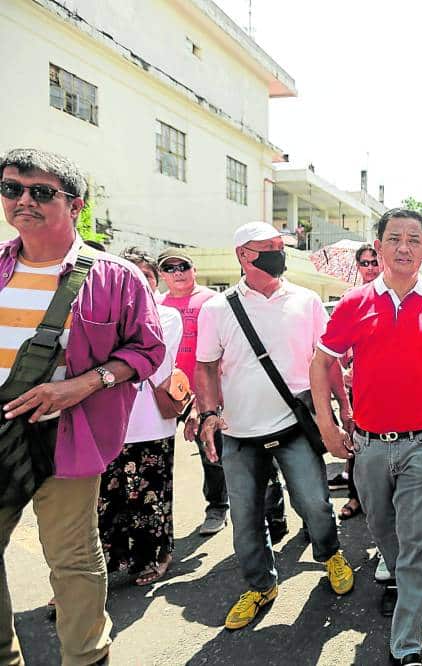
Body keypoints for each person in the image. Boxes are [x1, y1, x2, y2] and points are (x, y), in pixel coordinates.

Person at [0, 148, 164, 666]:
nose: (23, 201)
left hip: (66, 438)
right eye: (11, 189)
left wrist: (84, 384)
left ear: (75, 204)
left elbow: (148, 351)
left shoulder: (115, 278)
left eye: (41, 192)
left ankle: (86, 658)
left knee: (72, 561)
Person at [311, 208, 422, 666]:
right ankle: (399, 579)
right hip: (371, 446)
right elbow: (322, 363)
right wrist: (326, 422)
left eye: (413, 239)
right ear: (377, 247)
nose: (404, 247)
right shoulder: (354, 303)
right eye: (394, 238)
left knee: (416, 540)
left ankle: (407, 644)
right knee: (384, 531)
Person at [195, 222, 353, 632]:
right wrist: (209, 413)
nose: (277, 254)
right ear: (243, 256)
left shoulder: (306, 301)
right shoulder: (217, 308)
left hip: (295, 426)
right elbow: (206, 367)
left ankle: (330, 553)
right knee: (246, 520)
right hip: (240, 433)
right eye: (267, 248)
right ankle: (260, 586)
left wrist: (342, 408)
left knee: (316, 503)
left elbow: (328, 362)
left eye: (279, 247)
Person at [98, 248, 182, 586]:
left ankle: (157, 555)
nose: (137, 281)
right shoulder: (104, 312)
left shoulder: (167, 316)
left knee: (151, 496)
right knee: (108, 499)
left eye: (145, 275)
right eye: (129, 273)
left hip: (151, 423)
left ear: (154, 281)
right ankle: (107, 562)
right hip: (110, 425)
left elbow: (151, 362)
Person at [157, 248, 229, 536]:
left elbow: (222, 350)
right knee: (157, 455)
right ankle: (158, 520)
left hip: (202, 390)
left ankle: (217, 507)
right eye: (170, 268)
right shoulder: (156, 303)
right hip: (162, 392)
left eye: (183, 266)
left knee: (210, 451)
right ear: (162, 275)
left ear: (193, 269)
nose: (177, 273)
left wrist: (205, 401)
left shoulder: (212, 300)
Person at [330, 242, 382, 522]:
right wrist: (343, 371)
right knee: (355, 445)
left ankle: (383, 502)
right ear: (358, 267)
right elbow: (329, 348)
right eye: (365, 263)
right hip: (358, 388)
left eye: (375, 262)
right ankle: (355, 496)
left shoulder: (394, 295)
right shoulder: (350, 299)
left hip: (387, 387)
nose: (371, 268)